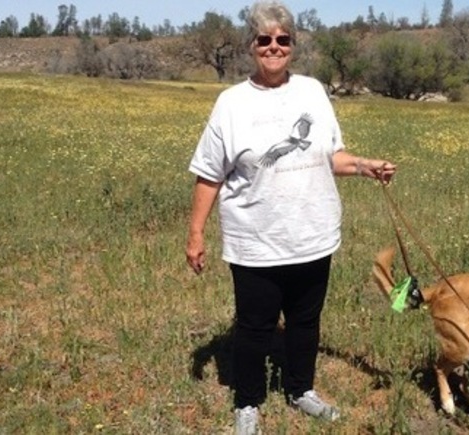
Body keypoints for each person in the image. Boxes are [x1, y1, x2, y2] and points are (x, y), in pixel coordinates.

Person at [185, 1, 396, 433]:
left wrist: (364, 166)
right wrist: (195, 234)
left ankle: (302, 391)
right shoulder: (231, 103)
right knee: (254, 327)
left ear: (293, 45)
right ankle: (248, 403)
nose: (274, 47)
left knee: (304, 322)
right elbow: (209, 175)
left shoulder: (313, 92)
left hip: (313, 235)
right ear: (251, 46)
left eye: (283, 39)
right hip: (256, 242)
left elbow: (331, 156)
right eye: (264, 39)